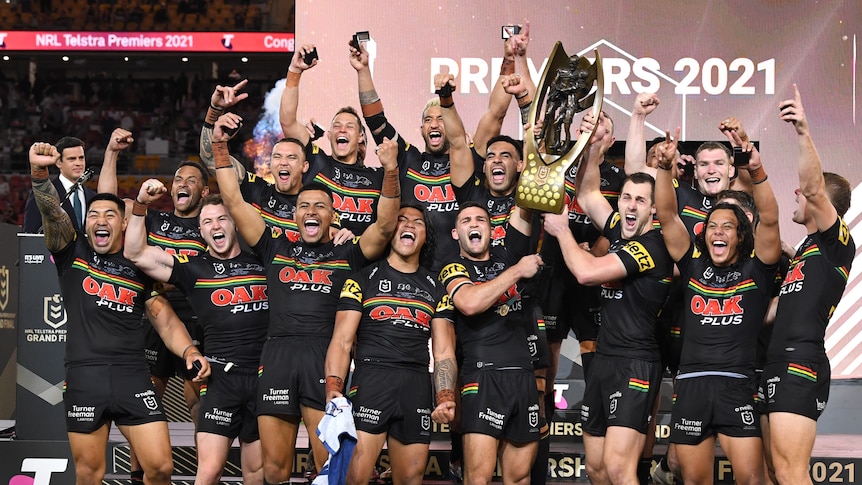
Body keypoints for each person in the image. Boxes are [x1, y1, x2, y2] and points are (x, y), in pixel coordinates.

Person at [211, 112, 400, 483]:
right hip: (277, 356)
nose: (311, 211)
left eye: (320, 207)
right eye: (304, 207)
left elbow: (386, 225)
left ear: (333, 216)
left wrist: (390, 171)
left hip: (323, 359)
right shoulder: (273, 246)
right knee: (275, 468)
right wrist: (219, 145)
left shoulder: (350, 254)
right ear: (294, 215)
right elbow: (233, 201)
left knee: (328, 468)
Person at [27, 141, 209, 485]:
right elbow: (52, 212)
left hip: (132, 375)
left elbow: (162, 316)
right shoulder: (71, 250)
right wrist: (40, 174)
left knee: (160, 468)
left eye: (110, 214)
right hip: (85, 377)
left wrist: (190, 350)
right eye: (93, 214)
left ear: (124, 224)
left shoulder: (139, 263)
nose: (100, 220)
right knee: (90, 473)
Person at [543, 120, 672, 485]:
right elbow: (586, 193)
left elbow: (586, 272)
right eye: (626, 198)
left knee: (618, 469)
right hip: (603, 360)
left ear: (653, 211)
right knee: (597, 469)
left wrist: (563, 232)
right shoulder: (620, 228)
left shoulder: (651, 247)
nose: (630, 206)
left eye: (640, 201)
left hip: (635, 364)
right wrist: (592, 143)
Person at [653, 126, 782, 485]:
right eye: (712, 226)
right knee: (693, 481)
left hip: (736, 387)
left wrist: (755, 172)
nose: (718, 232)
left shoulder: (757, 270)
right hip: (691, 386)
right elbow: (666, 215)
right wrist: (664, 170)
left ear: (742, 235)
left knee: (753, 481)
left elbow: (769, 218)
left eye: (728, 226)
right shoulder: (693, 265)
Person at [349, 24, 531, 272]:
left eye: (441, 119)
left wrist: (509, 59)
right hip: (415, 275)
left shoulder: (469, 159)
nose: (435, 124)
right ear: (421, 129)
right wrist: (363, 71)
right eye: (428, 120)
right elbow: (375, 121)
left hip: (464, 273)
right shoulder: (407, 158)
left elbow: (495, 114)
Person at [125, 188, 268, 485]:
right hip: (220, 381)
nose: (216, 225)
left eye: (222, 218)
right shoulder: (193, 269)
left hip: (264, 377)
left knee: (256, 473)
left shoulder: (263, 261)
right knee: (209, 471)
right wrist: (140, 206)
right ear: (200, 232)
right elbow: (135, 253)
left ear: (235, 223)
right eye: (207, 222)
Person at [762, 84, 855, 485]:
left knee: (790, 473)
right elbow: (780, 306)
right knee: (773, 471)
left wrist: (802, 130)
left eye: (805, 194)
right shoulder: (807, 249)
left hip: (800, 362)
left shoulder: (837, 243)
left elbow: (814, 187)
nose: (797, 194)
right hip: (776, 361)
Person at [324, 203, 457, 485]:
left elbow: (444, 350)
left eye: (417, 222)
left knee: (411, 479)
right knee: (354, 478)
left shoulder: (436, 287)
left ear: (426, 235)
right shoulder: (360, 280)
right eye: (401, 220)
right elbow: (342, 341)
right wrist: (333, 388)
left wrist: (445, 397)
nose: (408, 225)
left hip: (416, 385)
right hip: (372, 381)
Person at [438, 201, 543, 485]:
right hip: (484, 380)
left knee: (520, 477)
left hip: (522, 377)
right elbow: (470, 302)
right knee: (478, 478)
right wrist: (517, 272)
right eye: (466, 221)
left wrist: (539, 165)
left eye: (480, 220)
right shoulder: (452, 268)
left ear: (491, 229)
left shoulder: (507, 255)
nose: (474, 224)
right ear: (455, 233)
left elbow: (525, 211)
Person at [279, 43, 383, 236]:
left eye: (350, 127)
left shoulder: (378, 177)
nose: (342, 129)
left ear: (361, 136)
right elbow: (287, 121)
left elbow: (385, 227)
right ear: (329, 135)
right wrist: (295, 71)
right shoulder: (316, 160)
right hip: (315, 260)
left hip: (359, 261)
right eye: (336, 126)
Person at [199, 80, 313, 242]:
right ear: (270, 164)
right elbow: (210, 156)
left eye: (292, 157)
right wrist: (215, 111)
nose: (283, 162)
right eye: (277, 157)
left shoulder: (316, 202)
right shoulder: (256, 190)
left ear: (305, 166)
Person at [23, 129, 132, 233]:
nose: (78, 163)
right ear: (58, 163)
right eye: (72, 159)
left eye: (81, 158)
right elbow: (30, 233)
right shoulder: (44, 194)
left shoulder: (91, 197)